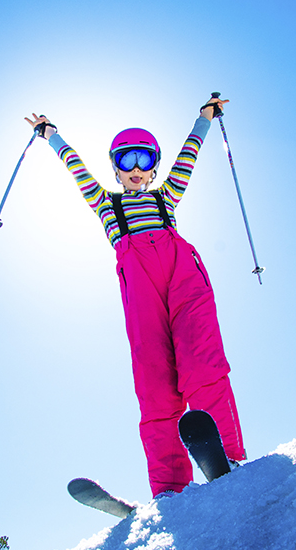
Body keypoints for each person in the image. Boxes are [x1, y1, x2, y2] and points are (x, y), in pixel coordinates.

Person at [25, 96, 245, 498]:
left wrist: (204, 119)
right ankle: (169, 486)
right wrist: (52, 136)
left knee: (201, 359)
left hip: (181, 273)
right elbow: (77, 169)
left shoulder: (166, 195)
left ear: (154, 165)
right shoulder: (106, 204)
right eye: (127, 162)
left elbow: (188, 157)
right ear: (116, 167)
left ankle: (229, 456)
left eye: (145, 159)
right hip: (139, 282)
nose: (137, 170)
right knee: (154, 380)